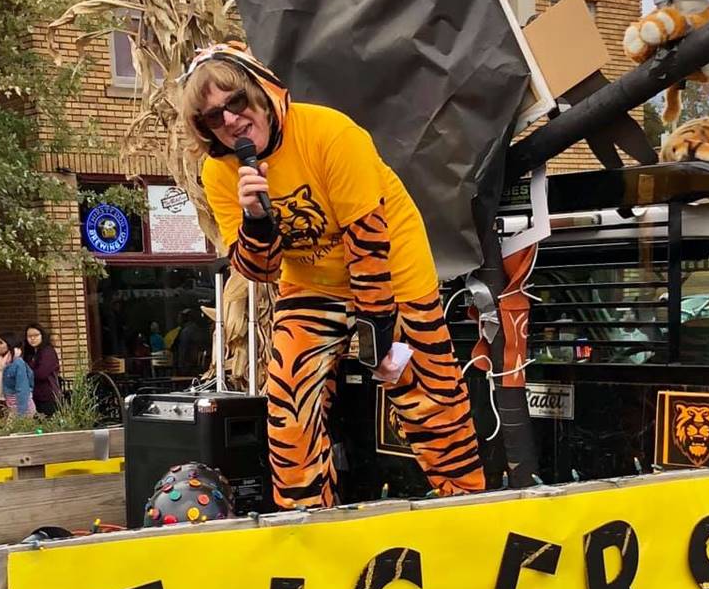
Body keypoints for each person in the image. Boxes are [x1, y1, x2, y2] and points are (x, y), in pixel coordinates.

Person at [182, 41, 484, 508]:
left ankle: (468, 504)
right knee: (288, 407)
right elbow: (258, 271)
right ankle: (306, 517)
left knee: (427, 399)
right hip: (310, 282)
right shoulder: (220, 174)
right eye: (212, 118)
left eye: (235, 102)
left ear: (260, 92)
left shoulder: (330, 134)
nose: (230, 121)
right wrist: (258, 221)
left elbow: (367, 244)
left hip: (392, 271)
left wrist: (377, 337)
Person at [25, 324, 61, 416]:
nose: (32, 338)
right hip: (34, 396)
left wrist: (27, 374)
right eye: (29, 336)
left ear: (42, 336)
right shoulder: (31, 354)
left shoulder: (48, 351)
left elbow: (41, 373)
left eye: (36, 335)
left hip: (48, 396)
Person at [0, 334, 34, 416]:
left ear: (10, 344)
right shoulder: (4, 362)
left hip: (22, 408)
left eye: (0, 343)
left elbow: (23, 389)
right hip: (12, 407)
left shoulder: (18, 363)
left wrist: (21, 414)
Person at [174, 306, 211, 378]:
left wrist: (181, 365)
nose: (178, 319)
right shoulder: (198, 330)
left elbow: (183, 350)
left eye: (180, 317)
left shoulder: (186, 332)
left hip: (189, 366)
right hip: (197, 366)